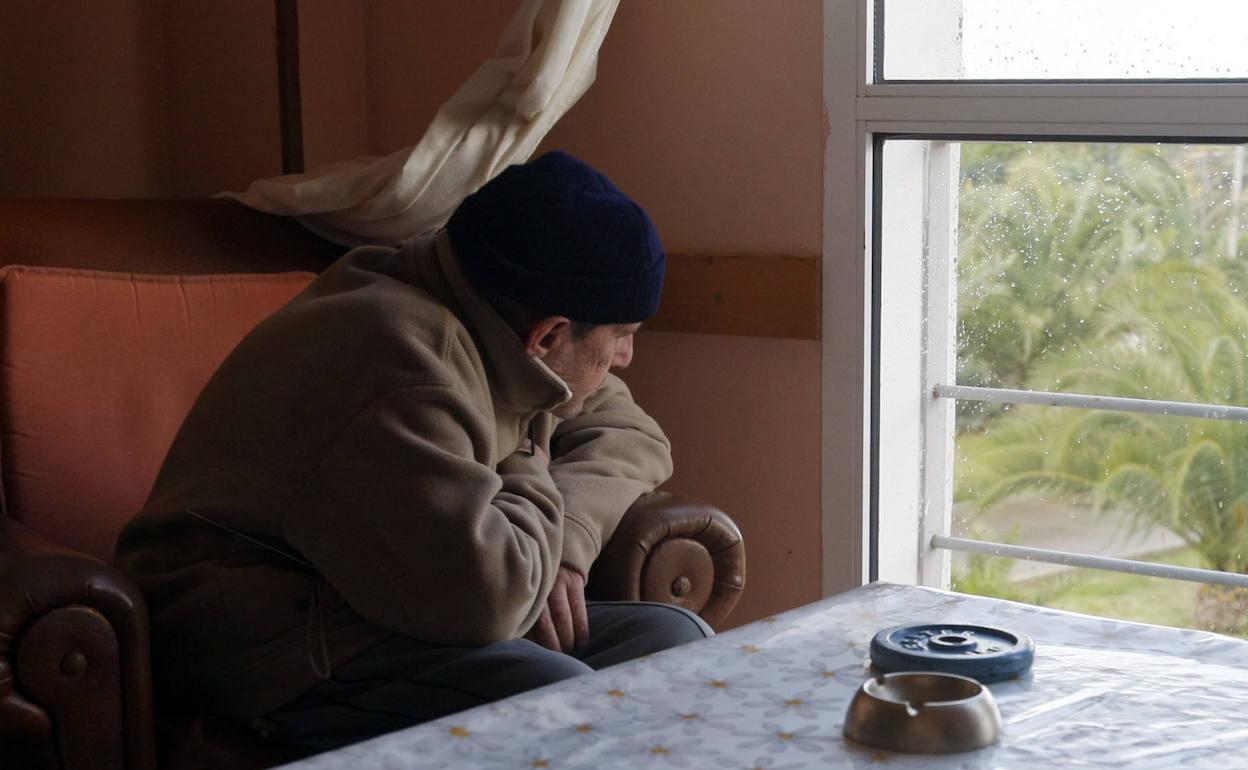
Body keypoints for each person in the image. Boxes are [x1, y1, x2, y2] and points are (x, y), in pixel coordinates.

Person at [114, 151, 711, 753]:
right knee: (560, 701)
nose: (628, 359)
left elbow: (634, 434)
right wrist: (533, 439)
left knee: (673, 642)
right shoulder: (394, 356)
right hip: (271, 636)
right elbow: (491, 597)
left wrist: (567, 546)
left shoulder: (490, 309)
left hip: (392, 597)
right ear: (549, 335)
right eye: (623, 337)